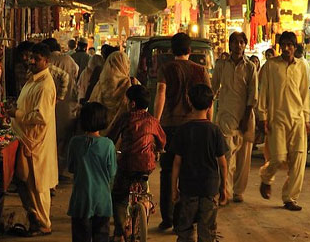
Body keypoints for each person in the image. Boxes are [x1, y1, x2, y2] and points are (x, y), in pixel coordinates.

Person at [154, 33, 211, 230]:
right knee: (190, 171)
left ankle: (168, 218)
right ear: (189, 50)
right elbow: (208, 99)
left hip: (170, 126)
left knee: (168, 171)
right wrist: (209, 123)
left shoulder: (166, 68)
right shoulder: (201, 70)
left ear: (171, 50)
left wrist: (156, 121)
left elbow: (161, 93)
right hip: (195, 126)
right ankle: (187, 218)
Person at [257, 31, 310, 211]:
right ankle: (266, 177)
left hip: (298, 118)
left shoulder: (302, 66)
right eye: (284, 45)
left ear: (295, 47)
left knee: (298, 160)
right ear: (280, 47)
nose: (287, 48)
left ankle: (290, 198)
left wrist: (307, 118)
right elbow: (263, 92)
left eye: (290, 45)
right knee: (278, 157)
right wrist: (262, 116)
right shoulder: (270, 66)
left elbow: (305, 94)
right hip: (277, 118)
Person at [9, 42, 58, 236]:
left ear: (46, 61)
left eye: (36, 59)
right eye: (31, 57)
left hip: (35, 142)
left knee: (37, 185)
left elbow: (41, 117)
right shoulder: (34, 80)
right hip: (26, 138)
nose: (32, 61)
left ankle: (43, 223)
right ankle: (35, 219)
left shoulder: (45, 85)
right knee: (26, 183)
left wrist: (18, 113)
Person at [106, 85, 166, 242]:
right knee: (144, 189)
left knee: (119, 196)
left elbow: (111, 136)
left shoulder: (126, 118)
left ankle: (119, 233)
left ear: (132, 104)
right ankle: (144, 204)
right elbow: (162, 140)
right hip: (146, 165)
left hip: (127, 164)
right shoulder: (152, 121)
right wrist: (158, 148)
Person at [171, 83, 228, 242]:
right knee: (207, 229)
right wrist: (224, 187)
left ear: (189, 102)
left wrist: (173, 188)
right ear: (211, 105)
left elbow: (177, 163)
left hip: (188, 188)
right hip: (209, 188)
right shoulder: (215, 131)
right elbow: (222, 164)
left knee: (185, 228)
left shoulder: (183, 130)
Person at [211, 32, 257, 203]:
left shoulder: (250, 67)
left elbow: (253, 94)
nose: (238, 45)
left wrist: (246, 116)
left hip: (245, 115)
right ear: (229, 45)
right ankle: (225, 191)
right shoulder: (221, 65)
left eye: (241, 42)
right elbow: (213, 88)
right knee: (227, 155)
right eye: (235, 42)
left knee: (244, 158)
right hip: (225, 116)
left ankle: (238, 191)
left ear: (245, 45)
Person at [67, 102, 116, 242]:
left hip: (80, 200)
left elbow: (71, 168)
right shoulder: (108, 145)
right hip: (102, 200)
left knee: (80, 237)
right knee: (101, 236)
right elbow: (112, 172)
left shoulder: (75, 143)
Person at [46, 37, 80, 176]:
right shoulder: (69, 60)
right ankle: (58, 171)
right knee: (63, 141)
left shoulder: (46, 61)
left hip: (49, 104)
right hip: (67, 105)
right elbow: (76, 73)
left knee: (49, 140)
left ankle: (49, 172)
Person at [89, 52, 136, 126]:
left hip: (99, 129)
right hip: (121, 131)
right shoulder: (131, 84)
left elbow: (92, 103)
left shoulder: (101, 83)